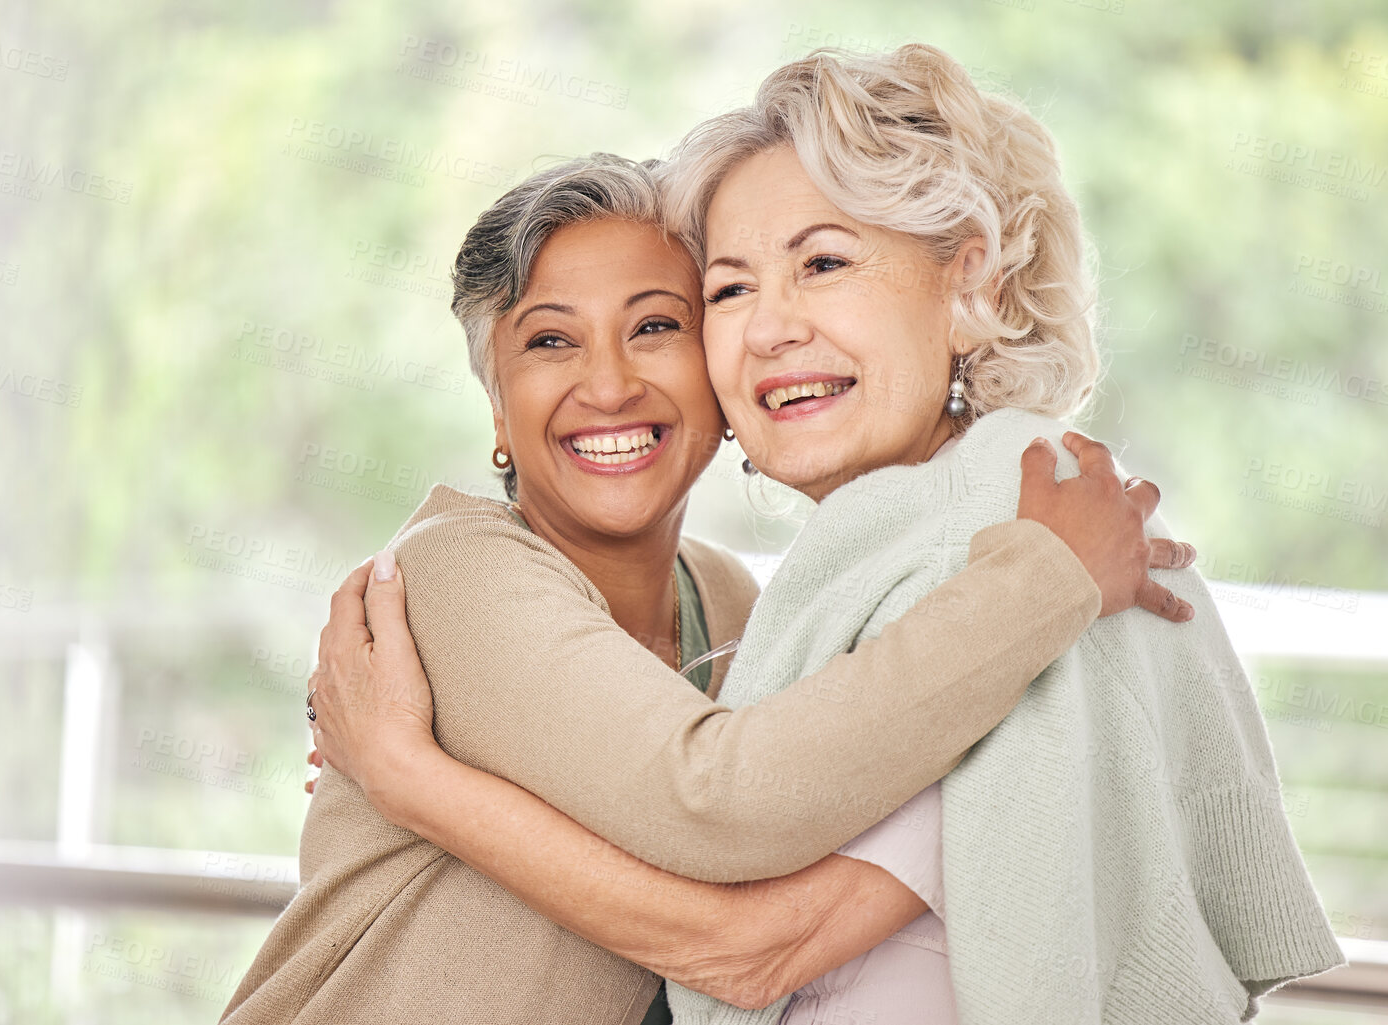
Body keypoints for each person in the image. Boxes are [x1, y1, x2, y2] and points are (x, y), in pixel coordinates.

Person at [306, 46, 1342, 1025]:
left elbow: (746, 926)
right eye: (733, 288)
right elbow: (723, 820)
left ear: (969, 281)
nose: (766, 327)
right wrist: (407, 779)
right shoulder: (462, 574)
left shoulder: (875, 573)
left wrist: (415, 780)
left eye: (662, 320)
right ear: (493, 405)